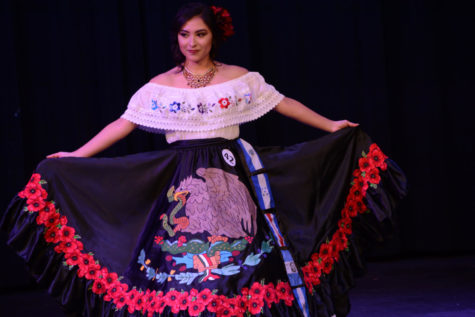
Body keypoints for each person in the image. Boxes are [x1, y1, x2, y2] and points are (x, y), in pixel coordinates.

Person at [1, 3, 406, 317]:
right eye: (184, 34)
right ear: (176, 38)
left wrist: (330, 124)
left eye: (200, 34)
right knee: (177, 268)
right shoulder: (161, 86)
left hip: (233, 172)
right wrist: (76, 155)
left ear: (214, 37)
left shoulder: (238, 78)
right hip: (182, 178)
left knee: (245, 262)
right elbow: (122, 124)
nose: (192, 43)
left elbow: (282, 104)